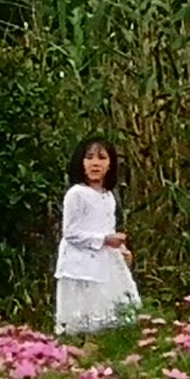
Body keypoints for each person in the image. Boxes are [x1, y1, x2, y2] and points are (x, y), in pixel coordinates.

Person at [54, 137, 142, 337]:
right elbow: (70, 233)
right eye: (90, 158)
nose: (95, 163)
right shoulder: (76, 194)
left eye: (102, 158)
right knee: (86, 315)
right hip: (80, 266)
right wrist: (103, 240)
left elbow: (108, 227)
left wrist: (121, 250)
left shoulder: (108, 196)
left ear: (110, 164)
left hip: (106, 262)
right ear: (81, 162)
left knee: (117, 310)